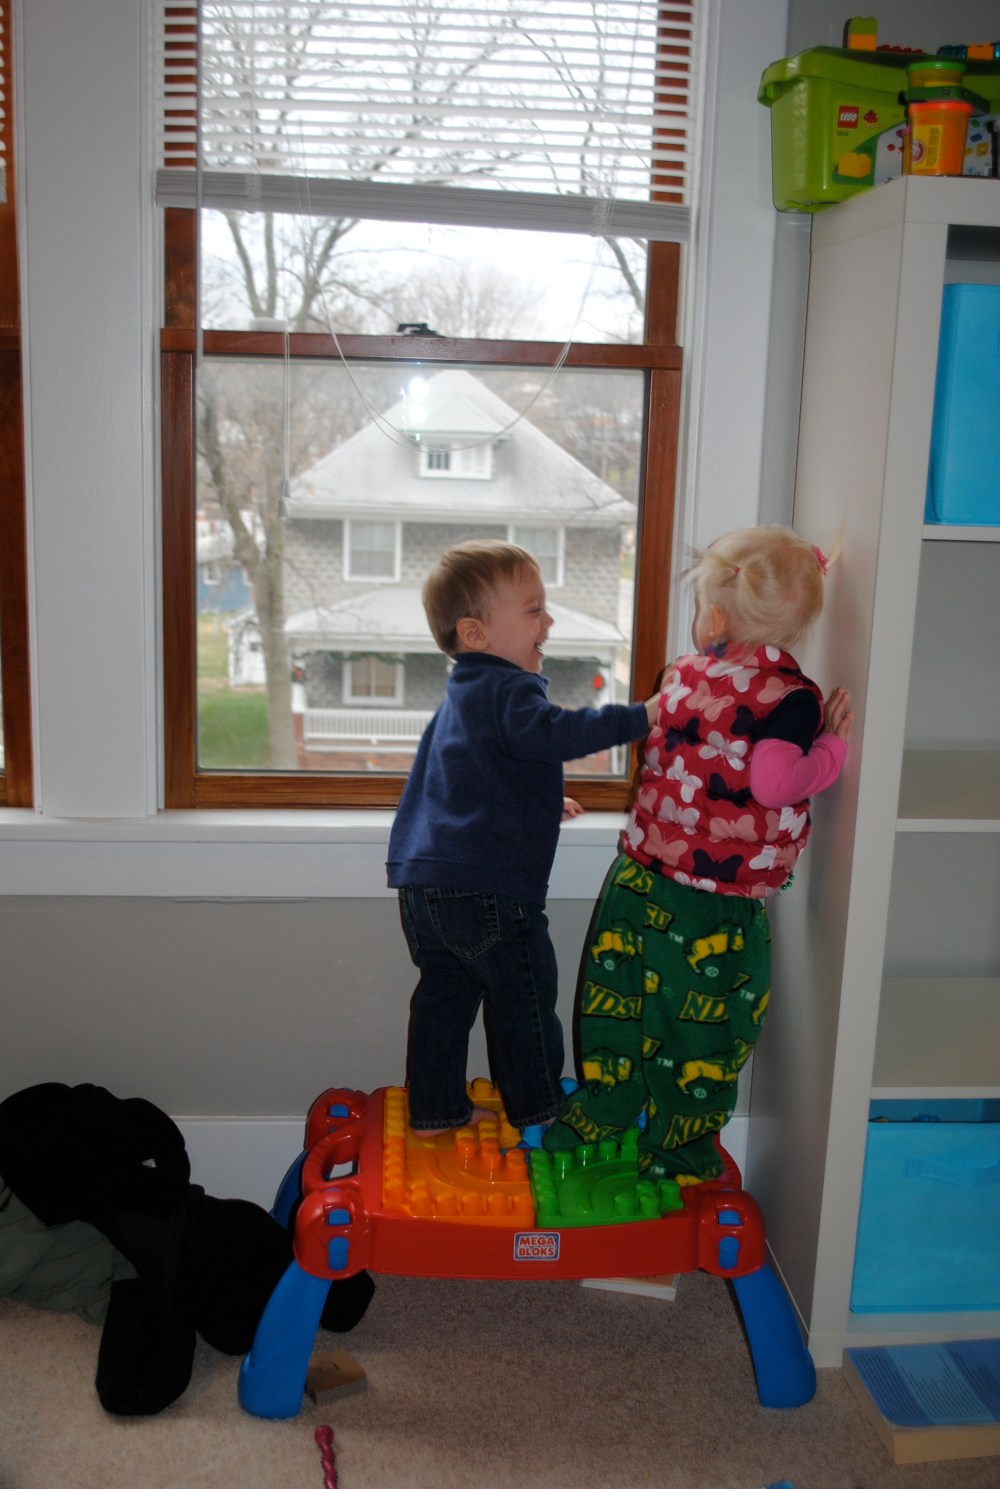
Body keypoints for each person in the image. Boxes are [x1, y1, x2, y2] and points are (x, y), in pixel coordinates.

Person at [543, 525, 853, 1182]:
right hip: (710, 906)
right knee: (699, 1036)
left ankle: (599, 1115)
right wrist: (830, 750)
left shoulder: (681, 675)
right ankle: (678, 1155)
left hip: (638, 879)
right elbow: (772, 781)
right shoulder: (791, 699)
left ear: (715, 615)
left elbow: (702, 747)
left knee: (618, 1006)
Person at [387, 538, 661, 1137]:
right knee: (526, 997)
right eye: (534, 610)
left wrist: (534, 800)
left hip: (426, 884)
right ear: (476, 633)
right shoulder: (511, 688)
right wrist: (641, 717)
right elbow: (553, 734)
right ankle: (540, 1111)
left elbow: (465, 775)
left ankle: (435, 1110)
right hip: (487, 890)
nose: (549, 621)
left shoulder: (464, 691)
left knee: (445, 997)